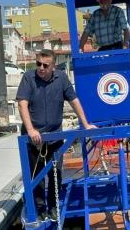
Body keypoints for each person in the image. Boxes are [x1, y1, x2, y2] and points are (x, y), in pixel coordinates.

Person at [16, 49, 96, 219]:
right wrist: (30, 130)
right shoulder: (28, 78)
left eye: (45, 65)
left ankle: (53, 207)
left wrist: (86, 124)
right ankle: (39, 209)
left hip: (54, 137)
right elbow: (22, 104)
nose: (41, 68)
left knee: (55, 174)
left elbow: (74, 100)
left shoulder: (61, 78)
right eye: (38, 64)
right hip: (34, 137)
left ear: (53, 66)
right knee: (36, 175)